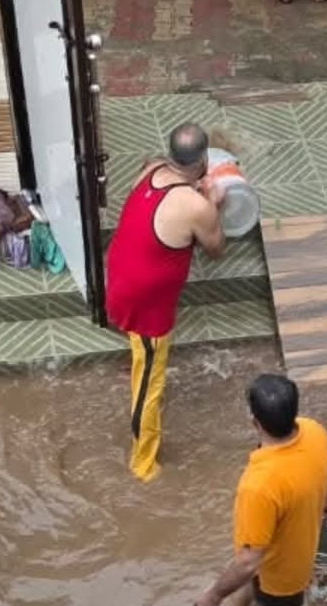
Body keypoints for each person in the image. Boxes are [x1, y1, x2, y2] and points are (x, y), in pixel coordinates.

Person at [105, 122, 227, 482]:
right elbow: (217, 248)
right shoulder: (194, 205)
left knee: (142, 355)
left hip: (120, 276)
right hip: (147, 306)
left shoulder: (151, 168)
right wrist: (214, 204)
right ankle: (143, 465)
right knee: (150, 388)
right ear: (203, 159)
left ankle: (134, 360)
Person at [193, 374, 327, 606]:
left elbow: (248, 562)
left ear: (255, 422)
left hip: (282, 579)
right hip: (292, 547)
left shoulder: (259, 485)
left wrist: (212, 596)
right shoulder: (315, 431)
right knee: (253, 571)